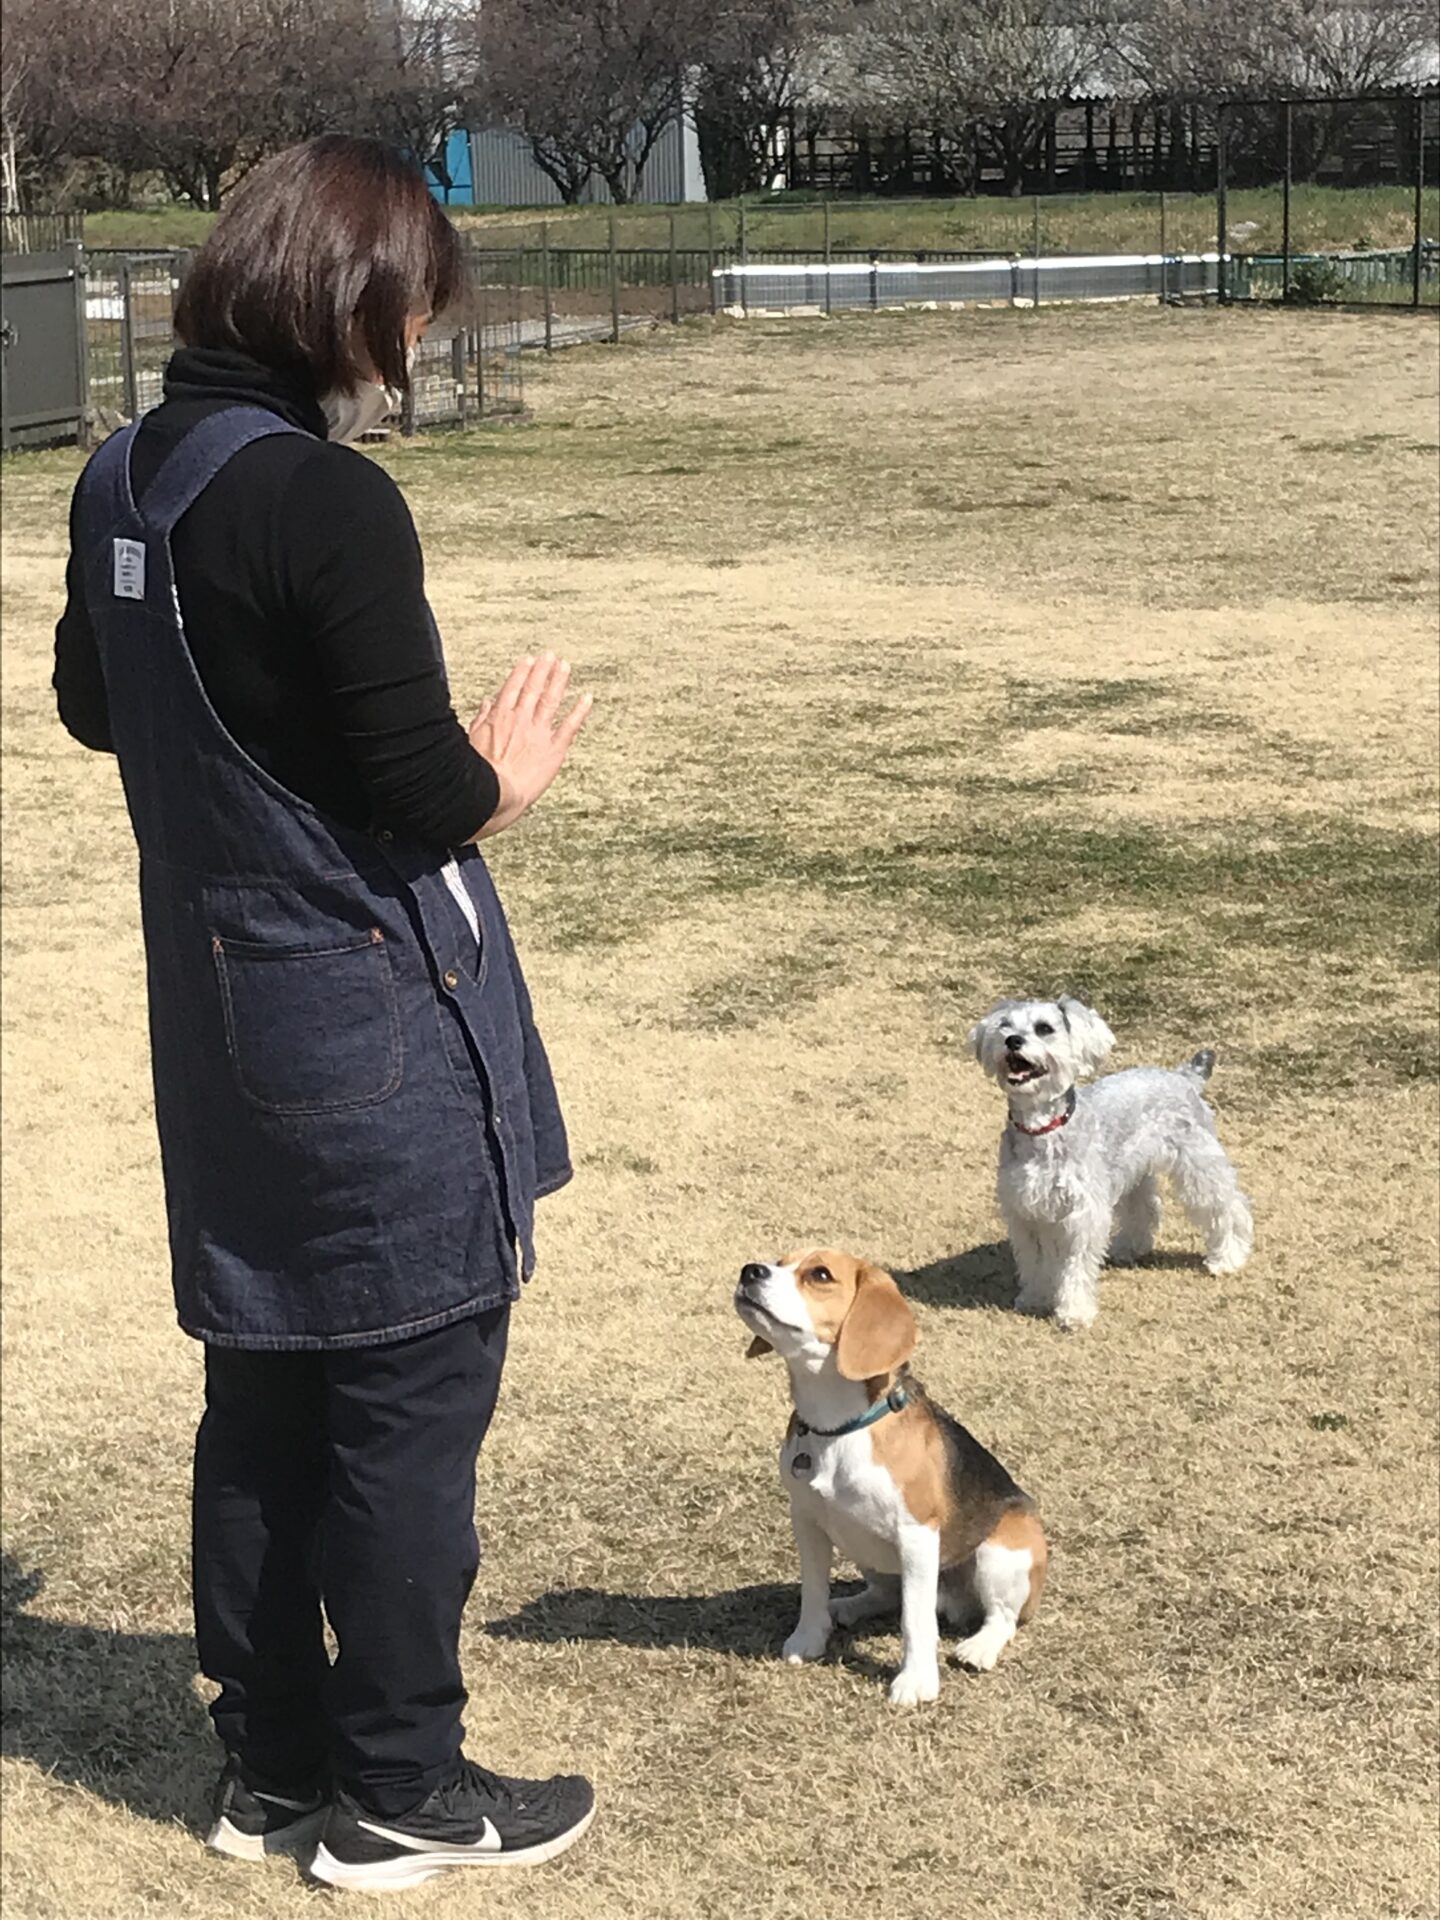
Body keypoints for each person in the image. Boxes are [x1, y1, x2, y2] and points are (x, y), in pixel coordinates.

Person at [53, 135, 595, 1892]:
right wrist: (505, 776)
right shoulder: (328, 502)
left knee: (265, 1400)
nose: (419, 343)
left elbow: (92, 705)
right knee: (407, 1412)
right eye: (414, 309)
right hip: (367, 1036)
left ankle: (271, 1765)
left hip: (224, 1035)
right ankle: (402, 1788)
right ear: (350, 303)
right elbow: (422, 793)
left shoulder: (122, 477)